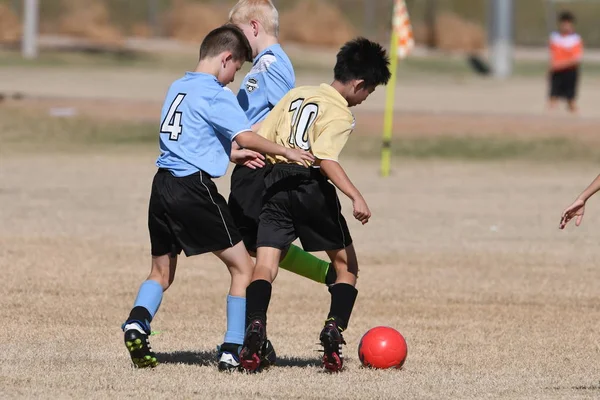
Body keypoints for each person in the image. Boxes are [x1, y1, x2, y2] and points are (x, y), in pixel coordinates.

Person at [121, 24, 314, 371]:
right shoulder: (216, 93)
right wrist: (286, 151)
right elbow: (248, 137)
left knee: (160, 273)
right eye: (235, 69)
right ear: (226, 58)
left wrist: (230, 154)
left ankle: (137, 321)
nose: (232, 78)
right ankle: (232, 348)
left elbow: (191, 138)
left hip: (161, 186)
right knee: (244, 267)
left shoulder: (178, 87)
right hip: (193, 189)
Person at [239, 37, 391, 373]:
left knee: (264, 266)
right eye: (369, 92)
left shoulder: (296, 95)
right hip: (310, 188)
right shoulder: (340, 113)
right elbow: (325, 159)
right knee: (346, 267)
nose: (365, 99)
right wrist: (355, 195)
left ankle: (255, 327)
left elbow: (259, 135)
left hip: (275, 183)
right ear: (359, 83)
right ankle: (333, 330)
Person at [227, 0, 336, 286]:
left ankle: (329, 274)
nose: (235, 42)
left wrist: (244, 137)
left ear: (254, 27)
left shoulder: (272, 63)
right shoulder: (265, 63)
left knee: (249, 242)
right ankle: (328, 274)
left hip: (258, 163)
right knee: (252, 242)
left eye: (237, 33)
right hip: (251, 161)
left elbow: (283, 113)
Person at [548, 11, 583, 113]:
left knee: (571, 100)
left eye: (568, 23)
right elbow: (552, 55)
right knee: (553, 98)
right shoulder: (555, 37)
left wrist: (560, 64)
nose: (566, 26)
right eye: (564, 23)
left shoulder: (575, 39)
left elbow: (577, 59)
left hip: (570, 72)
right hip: (556, 72)